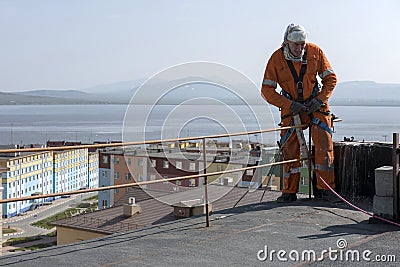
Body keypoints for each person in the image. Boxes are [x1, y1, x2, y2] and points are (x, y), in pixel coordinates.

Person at [261, 23, 338, 203]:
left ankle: (325, 190)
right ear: (287, 42)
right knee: (290, 150)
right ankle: (289, 191)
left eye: (303, 44)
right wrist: (288, 104)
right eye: (296, 44)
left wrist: (319, 99)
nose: (300, 48)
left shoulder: (315, 52)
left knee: (324, 146)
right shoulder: (276, 59)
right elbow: (267, 90)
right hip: (291, 108)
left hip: (315, 106)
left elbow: (330, 79)